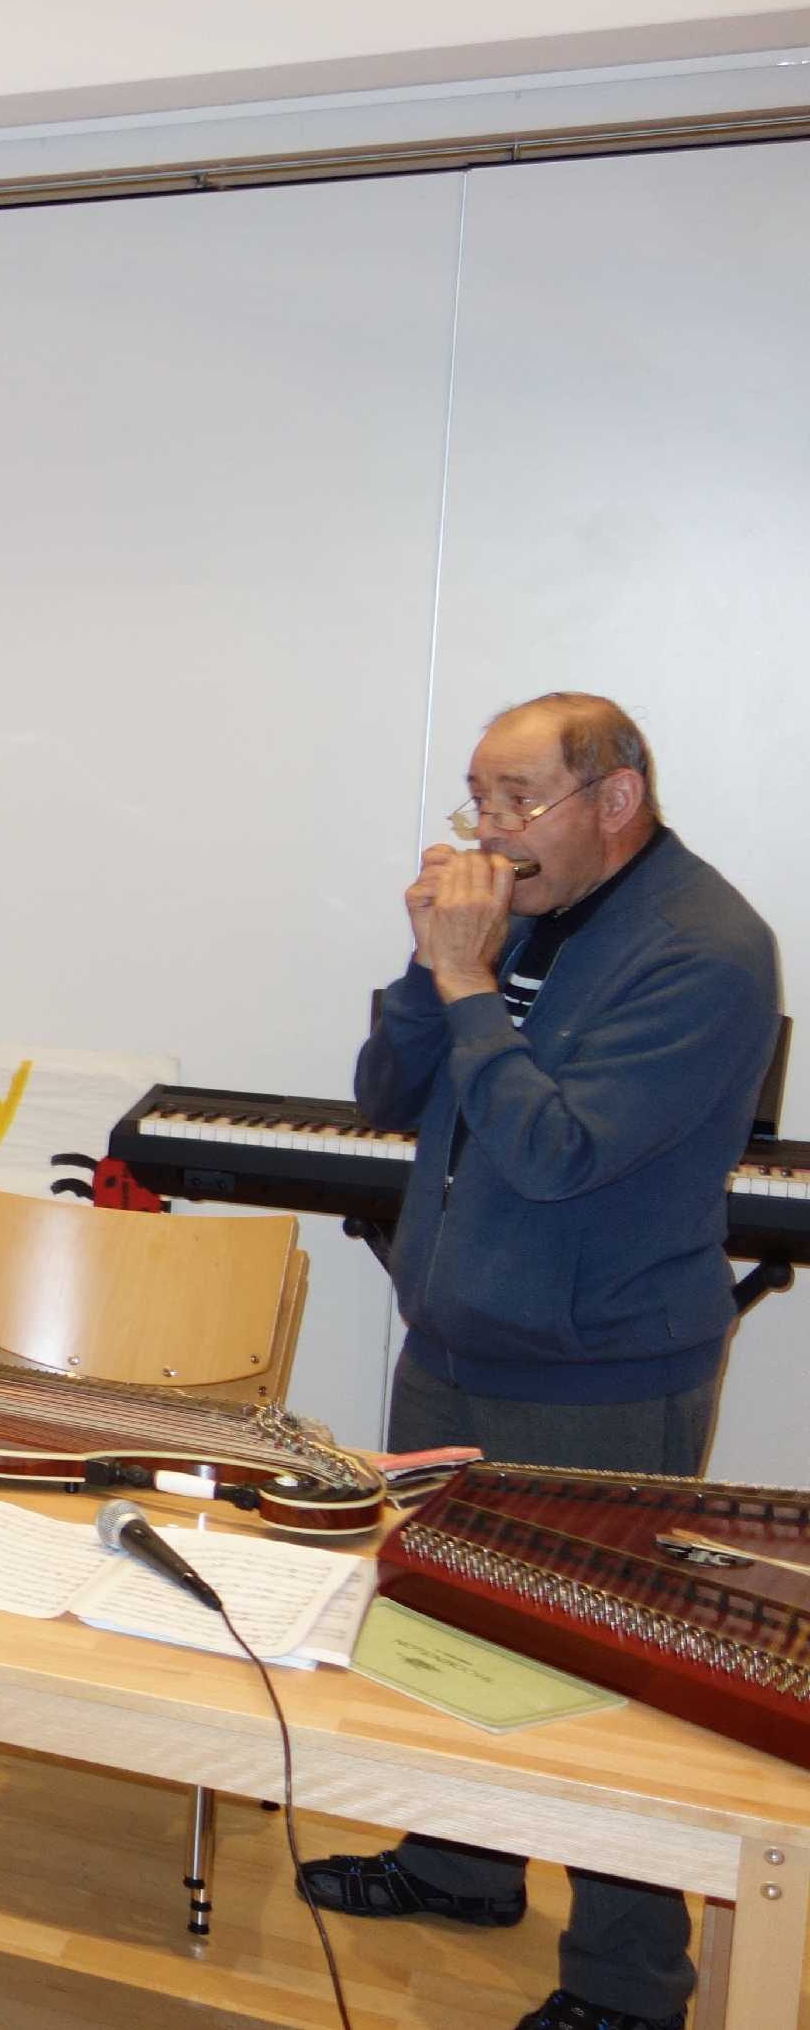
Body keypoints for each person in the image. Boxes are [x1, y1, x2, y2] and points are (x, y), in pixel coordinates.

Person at [299, 693, 780, 2030]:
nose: (490, 830)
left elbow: (557, 1153)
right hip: (454, 1339)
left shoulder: (704, 951)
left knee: (601, 1679)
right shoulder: (520, 914)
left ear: (615, 799)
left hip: (601, 1371)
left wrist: (468, 984)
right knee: (440, 1632)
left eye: (518, 801)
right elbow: (389, 1097)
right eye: (479, 798)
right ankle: (460, 1866)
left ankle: (628, 1986)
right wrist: (430, 968)